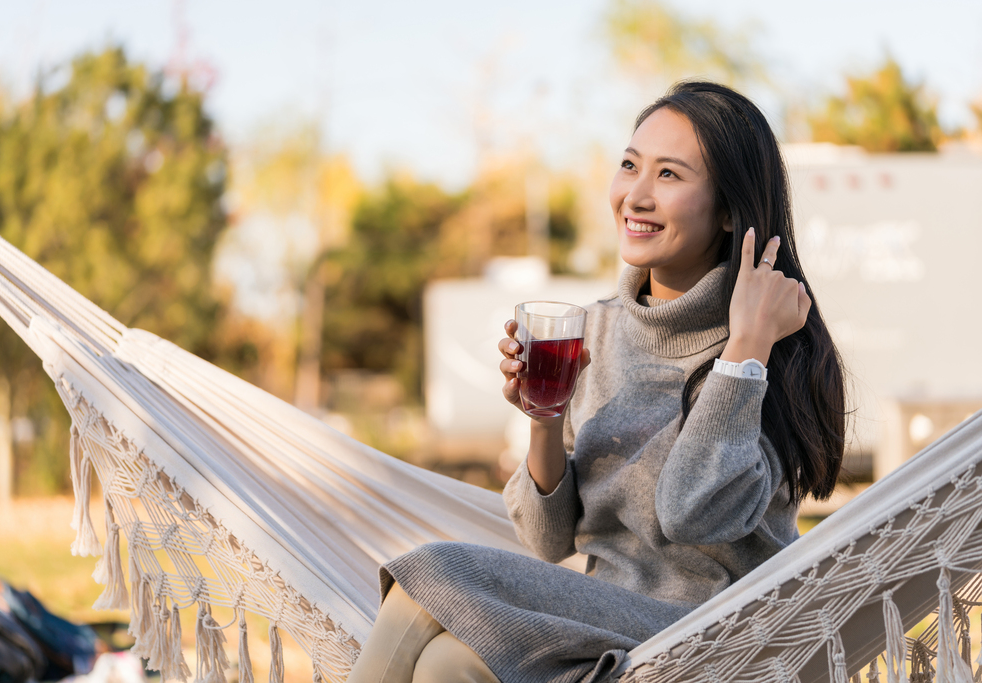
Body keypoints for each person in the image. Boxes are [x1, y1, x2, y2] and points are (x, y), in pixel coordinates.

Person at [347, 81, 846, 683]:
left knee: (431, 576)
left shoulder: (772, 344)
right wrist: (545, 416)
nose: (634, 196)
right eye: (630, 165)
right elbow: (547, 541)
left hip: (716, 640)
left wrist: (745, 349)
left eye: (669, 176)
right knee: (447, 664)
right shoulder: (598, 330)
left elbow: (694, 515)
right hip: (599, 626)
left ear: (729, 210)